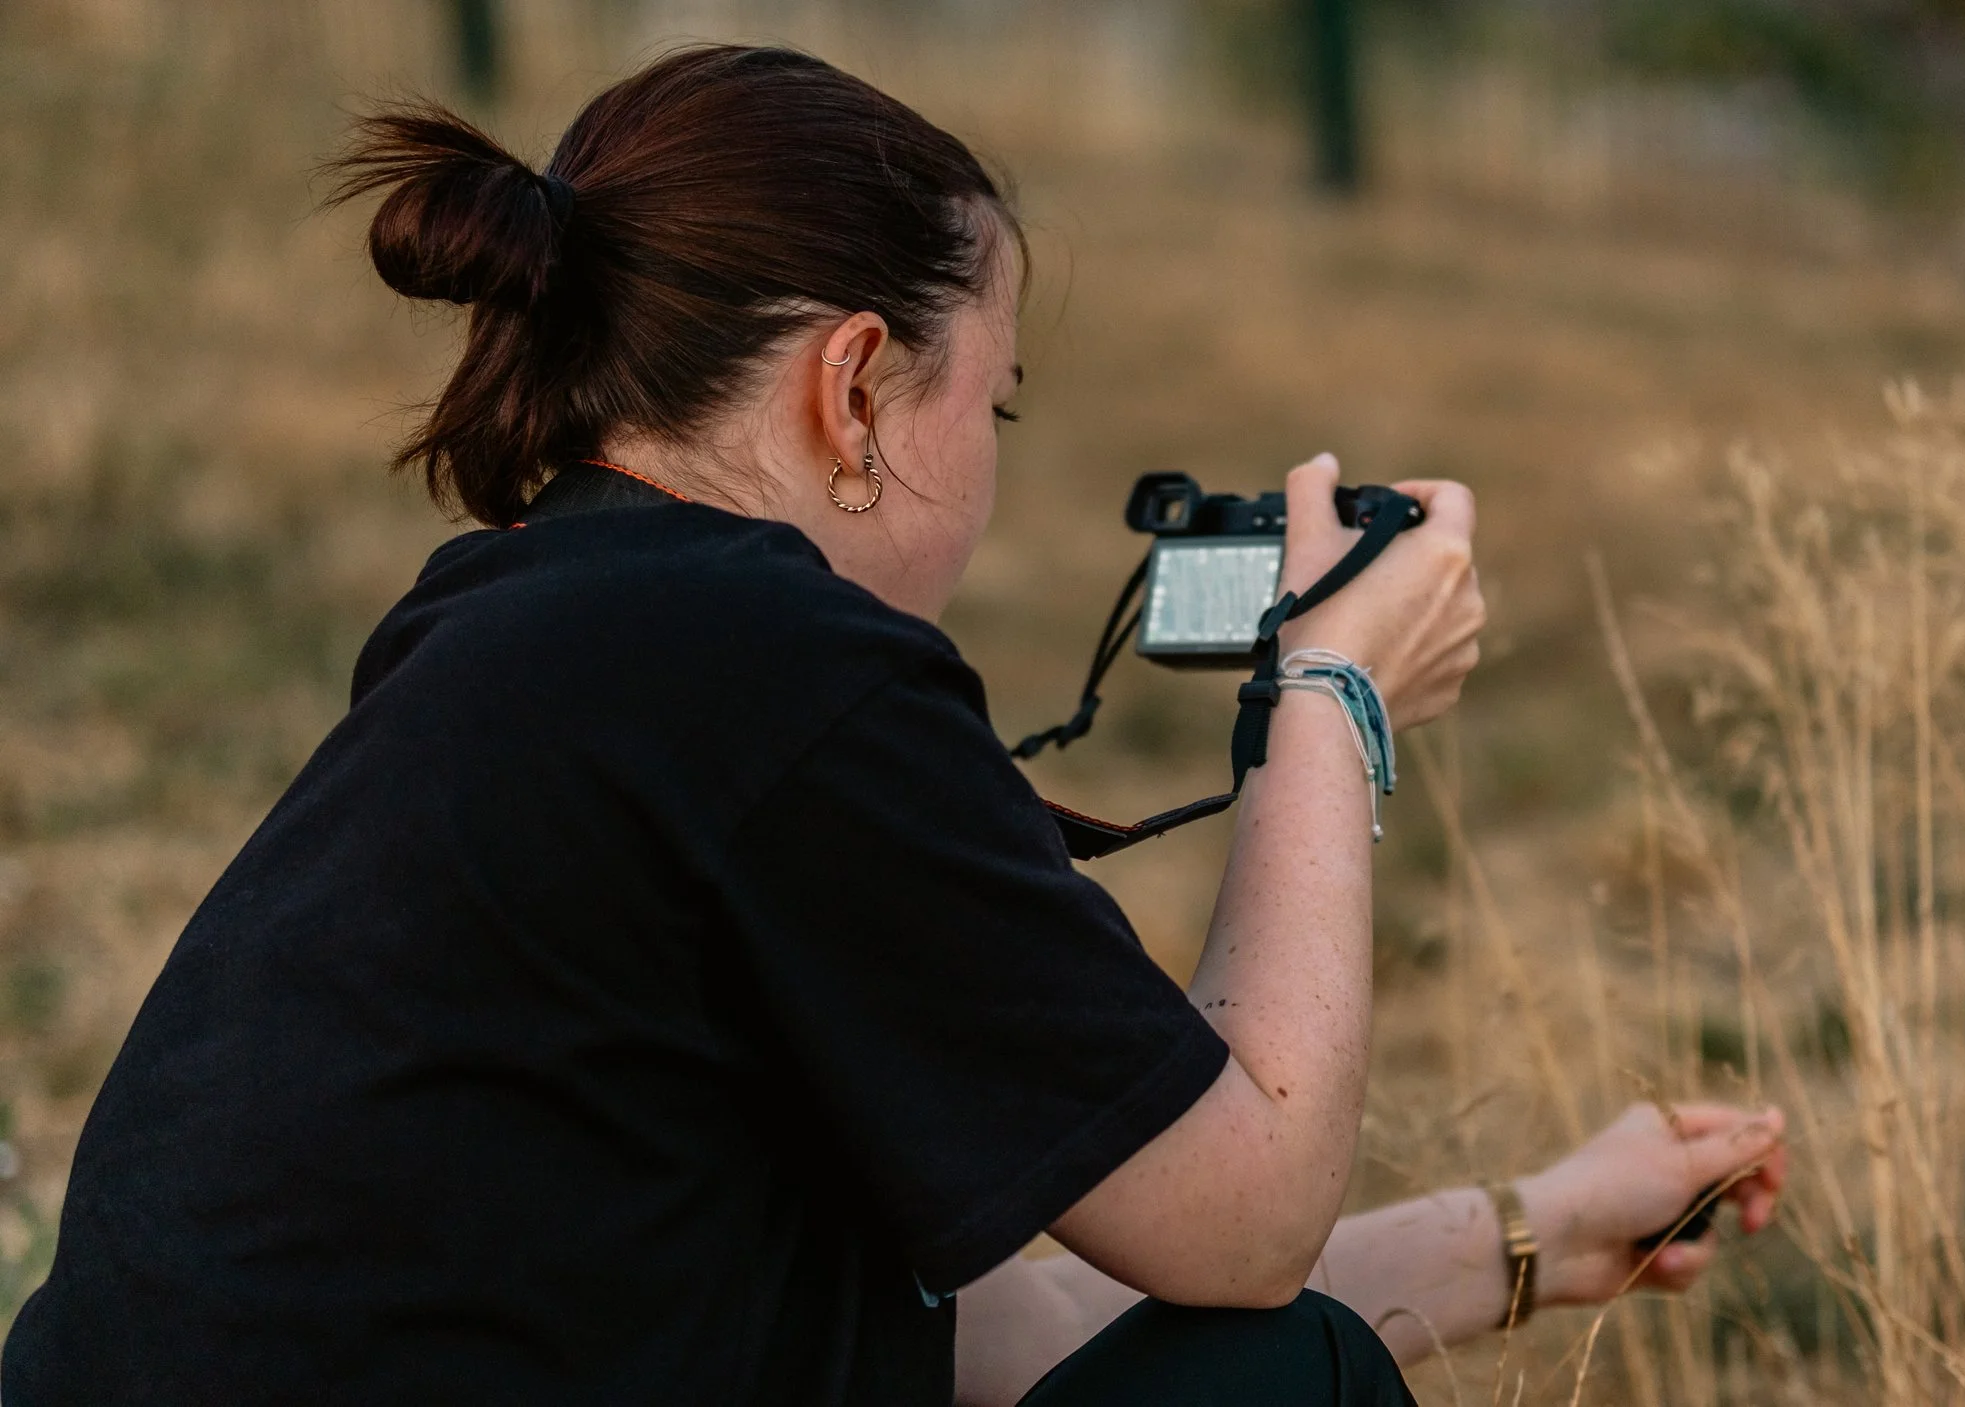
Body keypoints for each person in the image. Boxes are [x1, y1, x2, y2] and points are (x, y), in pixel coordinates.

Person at [0, 44, 1788, 1406]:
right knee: (1271, 1389)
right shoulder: (770, 662)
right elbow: (1240, 1238)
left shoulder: (526, 631)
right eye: (989, 398)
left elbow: (997, 1328)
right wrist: (1329, 703)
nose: (996, 464)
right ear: (853, 387)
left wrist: (1536, 1233)